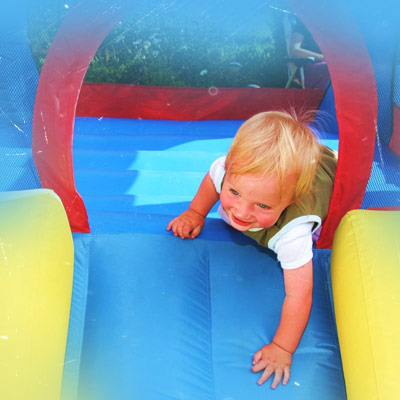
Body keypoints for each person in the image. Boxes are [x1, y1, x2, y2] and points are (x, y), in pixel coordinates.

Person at [166, 110, 337, 389]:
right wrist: (195, 212)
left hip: (328, 165)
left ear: (290, 200)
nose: (242, 212)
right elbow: (213, 179)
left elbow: (299, 295)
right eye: (234, 193)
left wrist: (283, 347)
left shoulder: (293, 233)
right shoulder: (229, 171)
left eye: (263, 206)